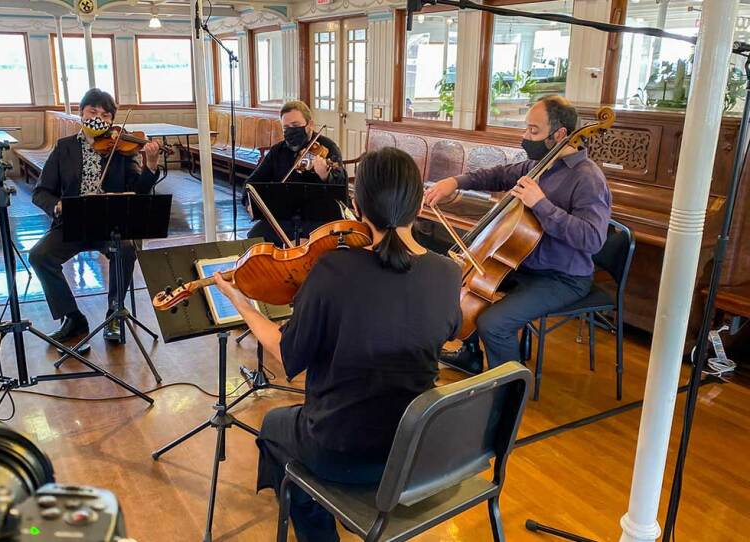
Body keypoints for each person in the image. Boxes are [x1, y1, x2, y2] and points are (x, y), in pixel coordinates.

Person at [215, 147, 461, 542]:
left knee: (272, 426)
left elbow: (288, 353)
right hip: (417, 448)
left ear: (358, 205)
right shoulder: (449, 272)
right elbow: (446, 330)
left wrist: (242, 304)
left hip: (344, 449)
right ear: (418, 202)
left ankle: (317, 522)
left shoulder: (334, 270)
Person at [425, 95, 612, 374]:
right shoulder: (540, 166)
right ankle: (471, 355)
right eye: (526, 129)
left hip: (563, 277)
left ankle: (509, 392)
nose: (525, 137)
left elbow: (592, 239)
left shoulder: (588, 178)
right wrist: (454, 182)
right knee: (452, 280)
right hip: (525, 265)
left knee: (494, 323)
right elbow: (498, 175)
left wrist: (541, 205)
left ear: (560, 134)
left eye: (533, 131)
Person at [29, 88, 162, 345]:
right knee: (39, 255)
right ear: (81, 114)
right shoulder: (64, 148)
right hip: (72, 222)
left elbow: (139, 190)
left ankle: (114, 313)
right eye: (93, 112)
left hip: (109, 223)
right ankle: (73, 317)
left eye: (106, 114)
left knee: (125, 249)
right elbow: (41, 192)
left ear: (112, 120)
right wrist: (57, 206)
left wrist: (152, 166)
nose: (99, 118)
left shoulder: (122, 149)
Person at [242, 100, 348, 246]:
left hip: (317, 219)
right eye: (286, 127)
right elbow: (250, 183)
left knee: (310, 245)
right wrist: (250, 203)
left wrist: (325, 176)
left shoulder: (328, 148)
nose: (291, 131)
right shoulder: (278, 151)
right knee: (255, 236)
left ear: (310, 124)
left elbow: (340, 183)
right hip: (284, 219)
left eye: (296, 126)